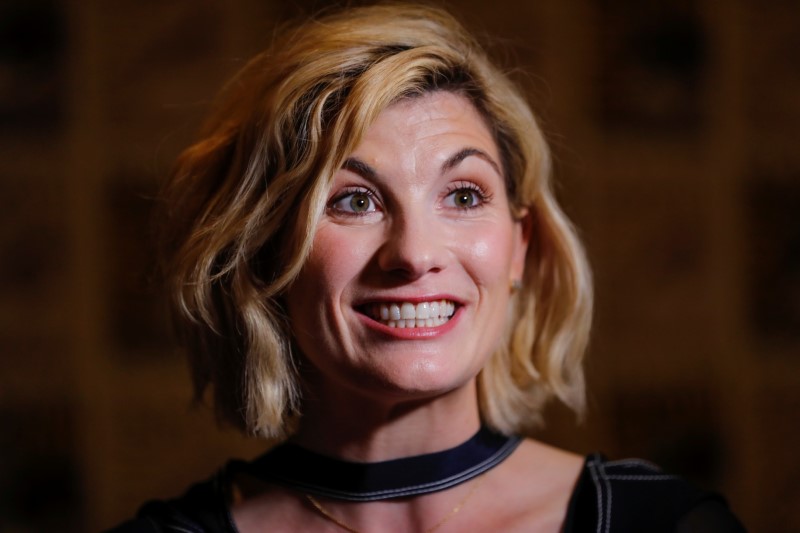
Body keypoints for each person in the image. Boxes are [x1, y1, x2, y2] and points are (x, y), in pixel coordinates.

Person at [110, 4, 745, 532]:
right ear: (265, 251)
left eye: (464, 196)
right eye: (353, 201)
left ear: (518, 247)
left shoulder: (659, 522)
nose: (415, 254)